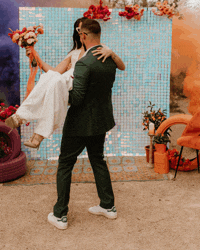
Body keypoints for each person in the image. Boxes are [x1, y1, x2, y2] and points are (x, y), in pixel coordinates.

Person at [5, 18, 125, 149]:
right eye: (78, 30)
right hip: (67, 80)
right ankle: (20, 117)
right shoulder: (74, 53)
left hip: (79, 83)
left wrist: (112, 53)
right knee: (48, 77)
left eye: (82, 30)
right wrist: (36, 56)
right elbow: (55, 72)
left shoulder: (101, 49)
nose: (80, 33)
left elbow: (121, 66)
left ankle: (37, 131)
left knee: (54, 80)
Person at [48, 19, 121, 230]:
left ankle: (60, 215)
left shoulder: (83, 63)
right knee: (98, 159)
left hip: (79, 124)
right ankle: (108, 206)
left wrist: (62, 91)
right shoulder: (109, 59)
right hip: (101, 120)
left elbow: (77, 98)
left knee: (64, 165)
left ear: (83, 36)